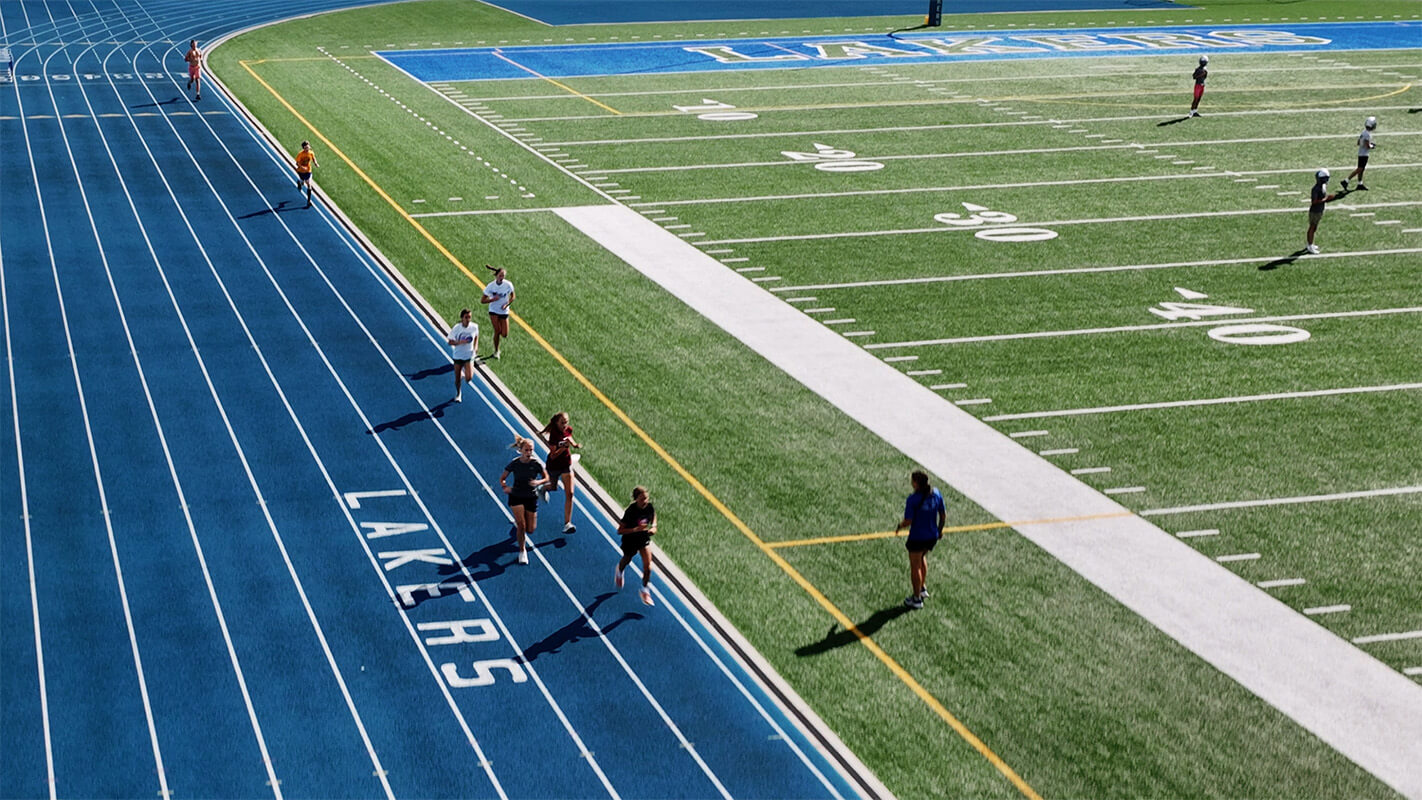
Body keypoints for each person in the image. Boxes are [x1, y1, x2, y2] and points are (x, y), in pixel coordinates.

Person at [895, 470, 945, 609]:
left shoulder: (913, 499)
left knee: (915, 565)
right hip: (931, 536)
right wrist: (939, 530)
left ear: (916, 483)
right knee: (922, 557)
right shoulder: (936, 494)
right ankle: (922, 588)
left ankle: (916, 598)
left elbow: (908, 520)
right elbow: (943, 514)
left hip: (918, 537)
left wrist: (899, 526)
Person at [500, 436, 548, 565]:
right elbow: (503, 478)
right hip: (516, 496)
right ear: (520, 450)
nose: (529, 453)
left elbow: (546, 477)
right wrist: (505, 487)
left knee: (531, 529)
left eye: (531, 450)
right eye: (526, 450)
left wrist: (539, 482)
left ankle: (518, 530)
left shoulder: (536, 463)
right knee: (521, 525)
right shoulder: (515, 463)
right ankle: (522, 551)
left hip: (531, 497)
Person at [538, 412, 581, 534]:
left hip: (566, 465)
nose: (565, 425)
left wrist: (573, 444)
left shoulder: (568, 429)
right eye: (562, 422)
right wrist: (563, 448)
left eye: (566, 422)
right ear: (557, 423)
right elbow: (553, 456)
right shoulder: (553, 436)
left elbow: (568, 436)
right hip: (554, 465)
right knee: (553, 487)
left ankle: (567, 524)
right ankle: (542, 488)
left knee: (570, 493)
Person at [614, 486, 656, 606]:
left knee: (648, 567)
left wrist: (654, 526)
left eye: (646, 498)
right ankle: (619, 571)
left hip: (643, 539)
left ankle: (645, 590)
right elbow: (620, 530)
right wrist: (635, 529)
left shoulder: (649, 507)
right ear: (636, 499)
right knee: (627, 559)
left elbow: (653, 516)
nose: (645, 501)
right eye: (642, 499)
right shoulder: (631, 511)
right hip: (630, 539)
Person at [480, 265, 514, 359]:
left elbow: (513, 296)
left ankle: (496, 350)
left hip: (504, 311)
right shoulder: (491, 286)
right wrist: (492, 300)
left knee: (505, 334)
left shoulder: (508, 285)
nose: (501, 277)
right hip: (494, 310)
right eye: (500, 275)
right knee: (497, 331)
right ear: (496, 275)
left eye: (503, 276)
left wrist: (506, 305)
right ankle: (496, 351)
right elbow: (482, 301)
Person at [446, 308, 478, 403]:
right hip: (458, 355)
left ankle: (465, 374)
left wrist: (475, 348)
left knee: (469, 378)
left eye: (469, 317)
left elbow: (476, 336)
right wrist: (460, 342)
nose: (468, 319)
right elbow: (450, 342)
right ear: (462, 318)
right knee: (457, 378)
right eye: (466, 317)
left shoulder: (474, 327)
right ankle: (458, 393)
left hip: (468, 355)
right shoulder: (457, 328)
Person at [1305, 168, 1338, 255]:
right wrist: (1327, 199)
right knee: (1312, 227)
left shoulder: (1322, 186)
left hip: (1319, 210)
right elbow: (1314, 202)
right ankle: (1309, 245)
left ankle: (1310, 243)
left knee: (1314, 227)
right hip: (1315, 211)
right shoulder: (1316, 189)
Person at [1341, 116, 1377, 191]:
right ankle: (1346, 180)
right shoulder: (1368, 134)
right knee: (1360, 169)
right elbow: (1367, 145)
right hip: (1364, 154)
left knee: (1361, 169)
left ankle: (1360, 183)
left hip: (1361, 152)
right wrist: (1372, 146)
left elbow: (1358, 142)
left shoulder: (1364, 132)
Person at [295, 141, 319, 208]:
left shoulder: (311, 153)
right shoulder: (300, 154)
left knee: (309, 185)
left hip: (308, 171)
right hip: (301, 171)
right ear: (303, 148)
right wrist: (302, 167)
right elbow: (297, 163)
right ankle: (299, 182)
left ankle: (308, 201)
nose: (307, 149)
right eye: (305, 148)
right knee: (302, 183)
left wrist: (316, 163)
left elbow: (313, 158)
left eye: (308, 147)